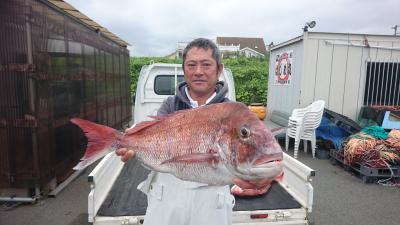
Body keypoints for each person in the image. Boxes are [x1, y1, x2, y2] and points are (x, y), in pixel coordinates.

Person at [116, 38, 272, 225]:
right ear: (184, 70)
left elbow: (256, 152)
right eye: (191, 65)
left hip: (212, 204)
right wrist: (131, 146)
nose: (198, 71)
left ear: (219, 70)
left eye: (206, 64)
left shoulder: (232, 112)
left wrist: (262, 174)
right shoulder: (170, 105)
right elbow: (153, 141)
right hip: (167, 198)